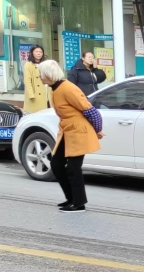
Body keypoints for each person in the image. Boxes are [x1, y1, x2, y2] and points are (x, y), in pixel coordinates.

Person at [40, 60, 102, 213]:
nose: (39, 76)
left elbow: (90, 110)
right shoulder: (55, 88)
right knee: (56, 165)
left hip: (78, 131)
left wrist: (97, 129)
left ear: (48, 74)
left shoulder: (68, 88)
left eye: (41, 74)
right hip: (67, 131)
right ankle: (71, 198)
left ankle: (78, 203)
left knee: (73, 168)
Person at [23, 45, 50, 113]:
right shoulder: (28, 65)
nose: (39, 53)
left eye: (40, 52)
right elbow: (27, 81)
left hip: (46, 90)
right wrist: (31, 95)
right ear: (32, 53)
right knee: (36, 114)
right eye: (36, 52)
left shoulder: (45, 64)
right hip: (36, 93)